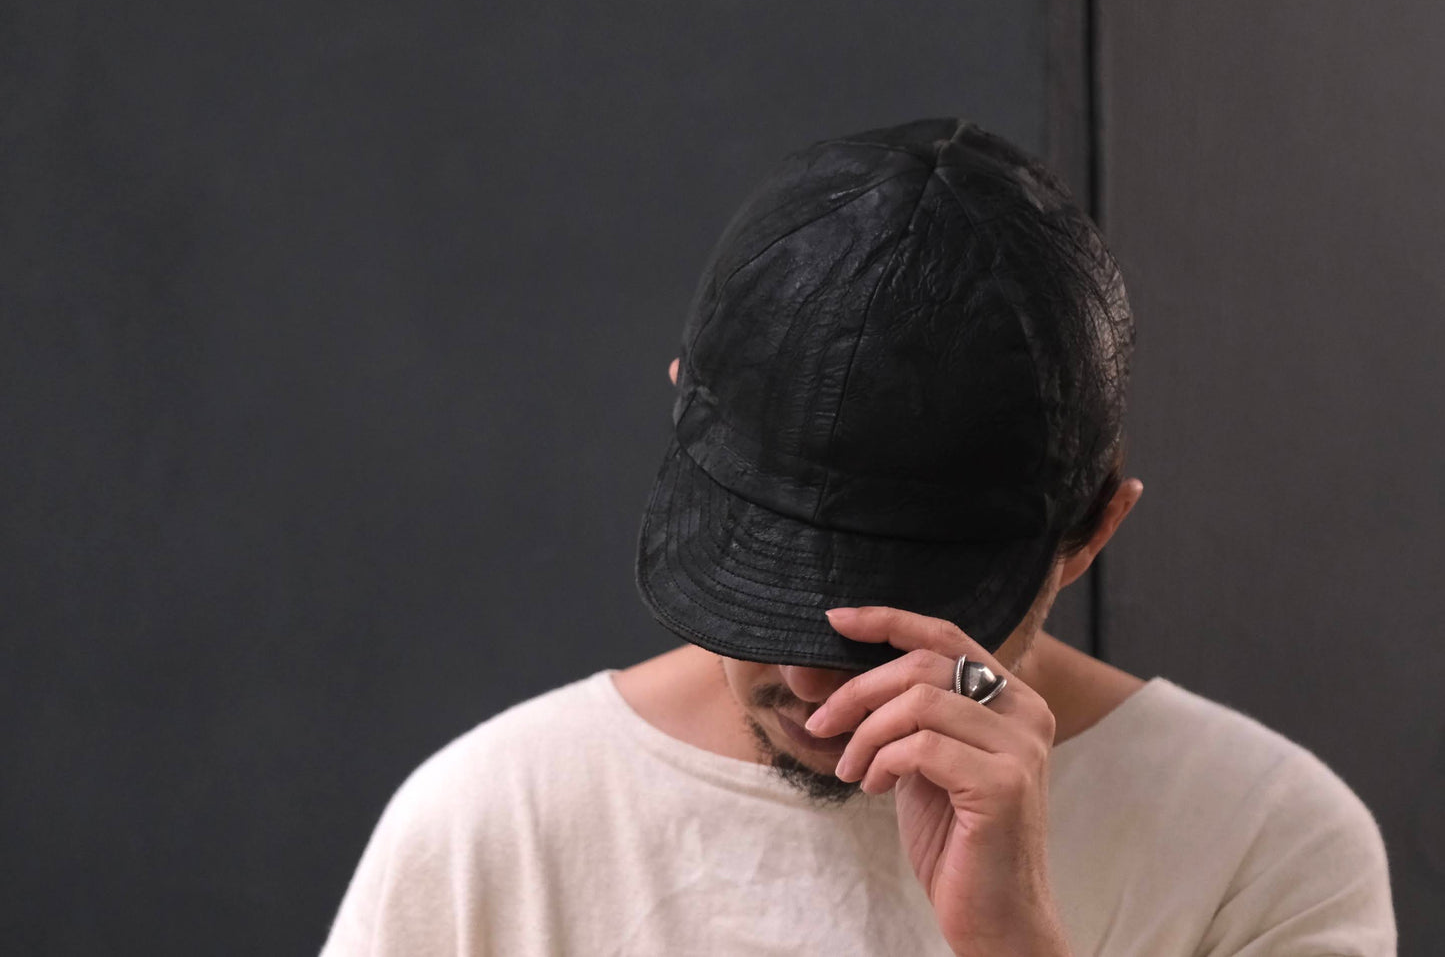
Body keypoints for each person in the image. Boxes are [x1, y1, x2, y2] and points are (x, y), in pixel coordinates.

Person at [319, 119, 1395, 956]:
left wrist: (1015, 939)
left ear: (1089, 532)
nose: (806, 676)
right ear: (682, 423)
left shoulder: (1259, 840)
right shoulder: (492, 830)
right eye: (764, 572)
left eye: (892, 608)